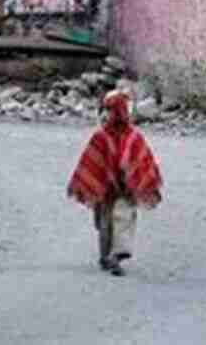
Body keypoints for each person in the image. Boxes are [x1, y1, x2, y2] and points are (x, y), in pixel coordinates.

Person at [66, 90, 163, 276]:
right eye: (108, 110)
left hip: (126, 190)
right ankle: (105, 255)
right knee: (105, 223)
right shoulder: (100, 137)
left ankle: (117, 255)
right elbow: (91, 162)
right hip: (104, 190)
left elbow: (142, 162)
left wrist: (134, 180)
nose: (110, 115)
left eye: (112, 110)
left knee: (123, 218)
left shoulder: (134, 138)